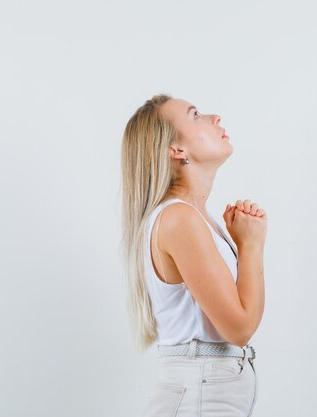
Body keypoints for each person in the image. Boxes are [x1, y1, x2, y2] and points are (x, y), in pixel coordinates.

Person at [119, 93, 267, 417]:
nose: (215, 118)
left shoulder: (194, 217)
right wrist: (251, 246)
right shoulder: (179, 219)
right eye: (196, 114)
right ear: (177, 150)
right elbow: (239, 328)